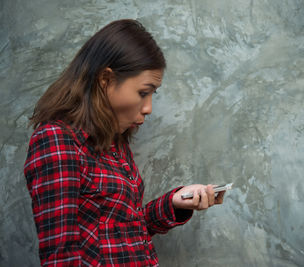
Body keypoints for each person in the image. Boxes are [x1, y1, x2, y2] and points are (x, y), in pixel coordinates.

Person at [23, 19, 225, 266]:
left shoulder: (115, 143)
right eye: (143, 92)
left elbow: (127, 230)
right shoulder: (56, 141)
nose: (149, 108)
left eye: (152, 94)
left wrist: (174, 201)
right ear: (106, 79)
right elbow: (61, 258)